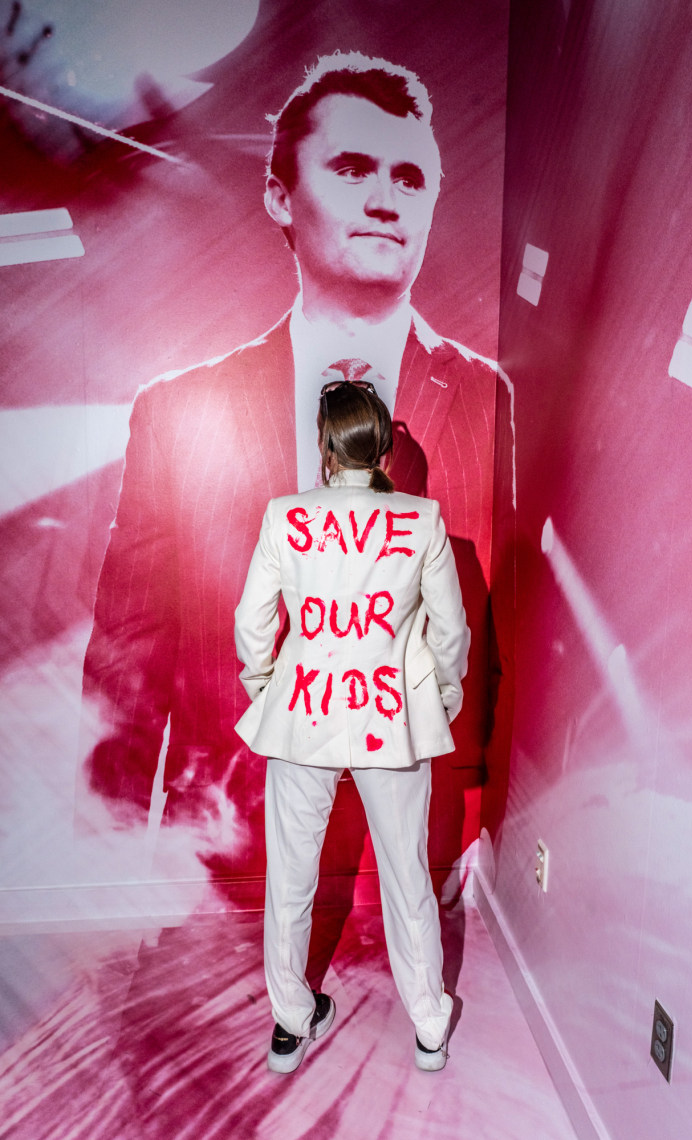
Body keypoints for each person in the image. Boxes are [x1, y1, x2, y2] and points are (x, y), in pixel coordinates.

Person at [81, 52, 504, 885]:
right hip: (226, 842)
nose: (387, 199)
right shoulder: (176, 411)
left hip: (413, 833)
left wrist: (475, 794)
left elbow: (489, 620)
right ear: (281, 194)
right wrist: (112, 845)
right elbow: (130, 646)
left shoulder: (487, 398)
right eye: (352, 168)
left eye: (412, 178)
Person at [234, 378, 469, 1072]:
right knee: (407, 877)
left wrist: (264, 687)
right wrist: (445, 694)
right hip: (389, 716)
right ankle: (429, 1027)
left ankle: (289, 1024)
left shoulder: (285, 515)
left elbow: (253, 623)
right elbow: (450, 632)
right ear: (384, 446)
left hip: (303, 711)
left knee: (290, 877)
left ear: (326, 445)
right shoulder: (422, 521)